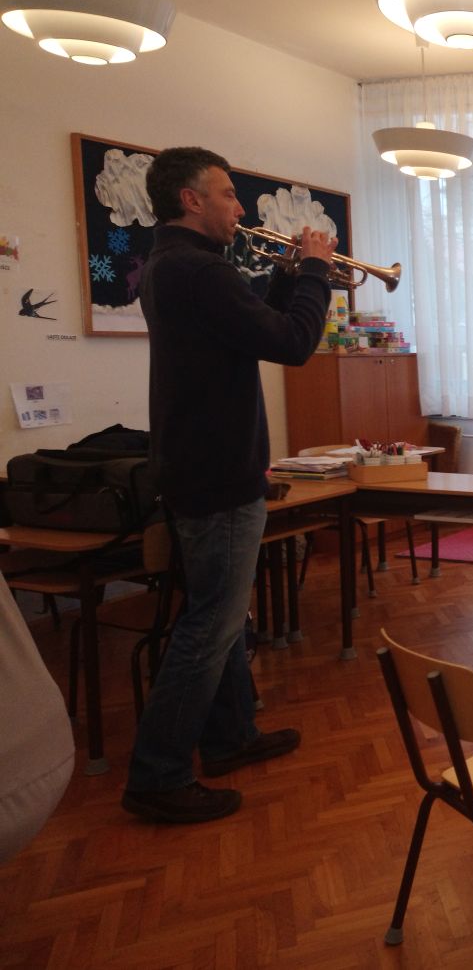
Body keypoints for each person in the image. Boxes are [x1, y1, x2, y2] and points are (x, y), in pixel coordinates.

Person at [121, 147, 334, 824]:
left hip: (198, 466)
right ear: (191, 200)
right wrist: (317, 273)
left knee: (222, 617)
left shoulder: (174, 266)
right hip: (218, 472)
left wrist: (287, 278)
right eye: (227, 195)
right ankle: (157, 776)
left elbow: (258, 331)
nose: (240, 209)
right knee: (210, 627)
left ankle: (231, 735)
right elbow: (294, 345)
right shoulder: (198, 270)